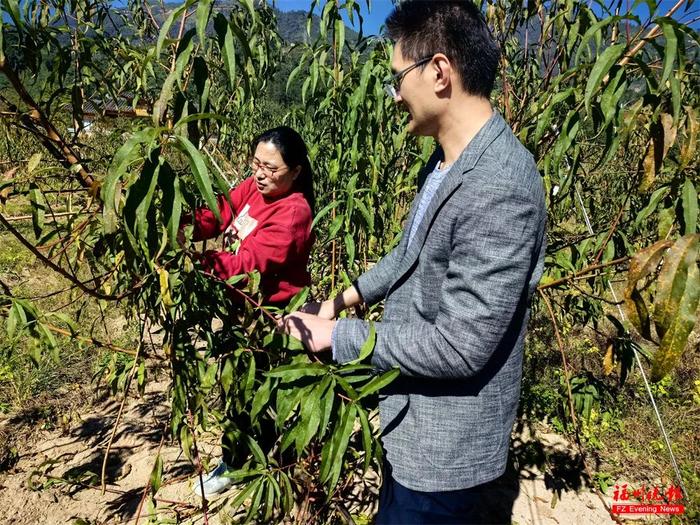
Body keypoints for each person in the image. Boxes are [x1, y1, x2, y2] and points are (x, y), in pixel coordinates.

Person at [280, 1, 546, 523]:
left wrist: (337, 338)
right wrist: (337, 303)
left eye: (399, 77)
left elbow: (460, 345)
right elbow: (408, 254)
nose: (396, 94)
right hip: (412, 427)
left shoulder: (500, 184)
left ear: (440, 72)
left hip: (447, 460)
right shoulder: (447, 162)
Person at [183, 126, 315, 497]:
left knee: (255, 394)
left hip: (271, 320)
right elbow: (218, 212)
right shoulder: (253, 189)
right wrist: (181, 224)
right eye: (256, 164)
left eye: (271, 168)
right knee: (243, 391)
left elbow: (247, 263)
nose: (260, 174)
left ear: (296, 172)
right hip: (241, 313)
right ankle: (249, 459)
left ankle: (242, 467)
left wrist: (195, 261)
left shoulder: (293, 212)